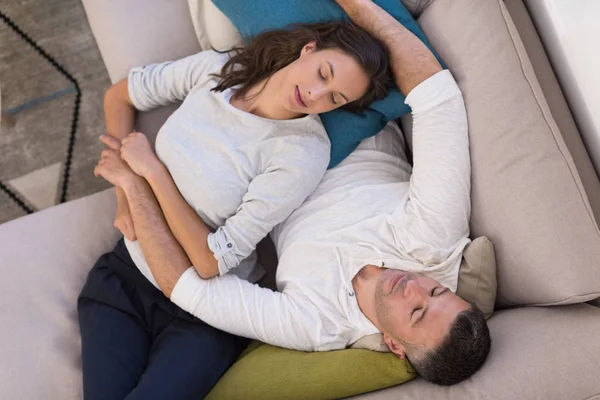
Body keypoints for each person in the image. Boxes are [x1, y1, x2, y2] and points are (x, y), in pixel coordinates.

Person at [94, 0, 492, 390]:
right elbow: (437, 100)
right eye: (438, 290)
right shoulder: (436, 237)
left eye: (418, 312)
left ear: (393, 345)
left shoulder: (317, 324)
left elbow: (191, 287)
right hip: (347, 127)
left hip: (276, 171)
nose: (417, 287)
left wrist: (136, 185)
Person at [79, 20, 392, 400]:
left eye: (335, 98)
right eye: (323, 73)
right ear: (309, 49)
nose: (315, 93)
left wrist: (149, 174)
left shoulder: (301, 153)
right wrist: (125, 197)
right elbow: (119, 96)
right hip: (125, 278)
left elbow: (211, 261)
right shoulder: (220, 71)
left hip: (202, 314)